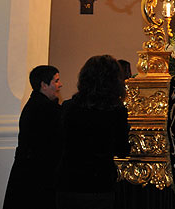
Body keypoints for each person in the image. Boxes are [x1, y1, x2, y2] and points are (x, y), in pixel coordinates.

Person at [55, 55, 130, 209]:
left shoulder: (68, 107)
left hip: (69, 181)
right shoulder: (117, 111)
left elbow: (59, 141)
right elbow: (122, 150)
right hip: (99, 182)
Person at [3, 65, 63, 209]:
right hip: (38, 179)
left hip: (27, 175)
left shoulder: (34, 105)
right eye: (56, 81)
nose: (60, 84)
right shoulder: (46, 109)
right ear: (44, 85)